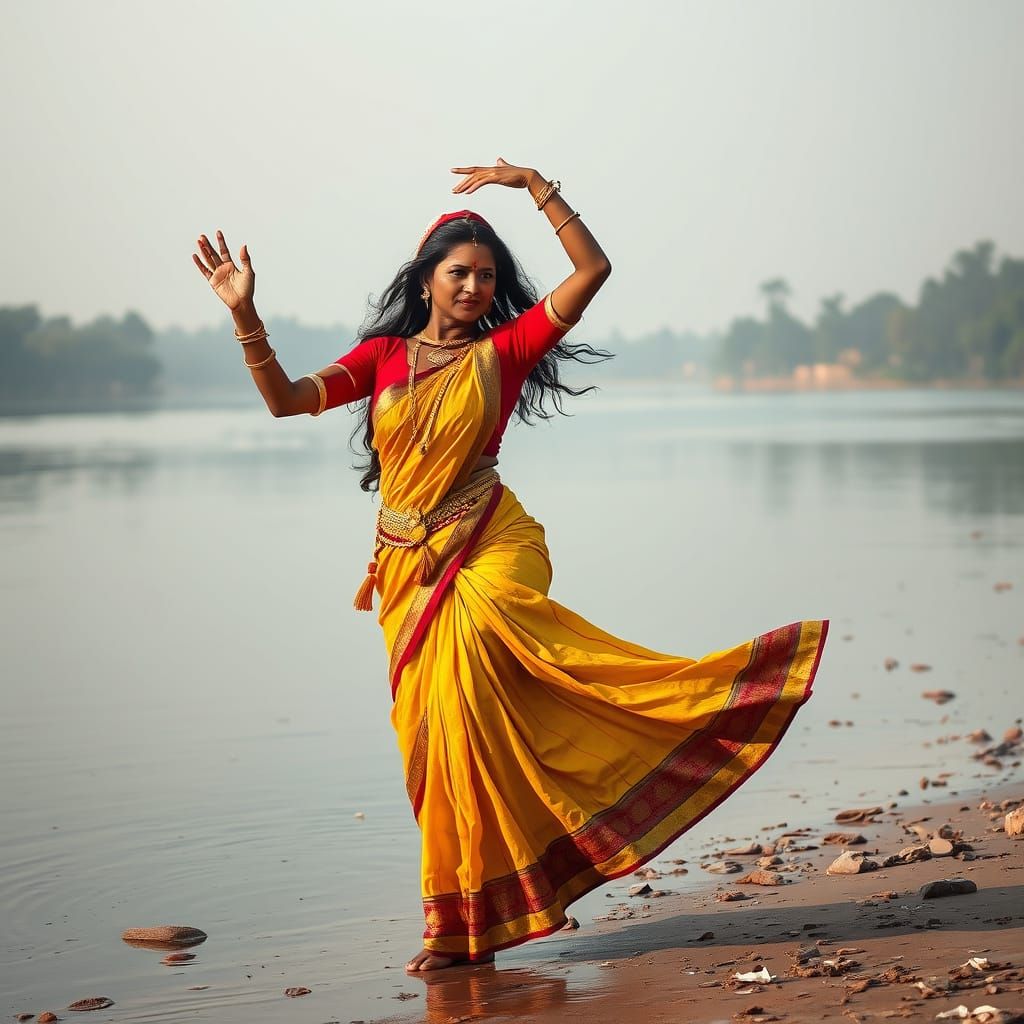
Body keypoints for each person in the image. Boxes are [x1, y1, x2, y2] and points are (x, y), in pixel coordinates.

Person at [192, 158, 828, 975]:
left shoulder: (508, 349)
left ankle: (702, 700)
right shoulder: (381, 357)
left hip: (491, 541)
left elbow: (592, 271)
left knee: (494, 641)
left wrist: (538, 188)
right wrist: (247, 315)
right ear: (426, 280)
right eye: (459, 273)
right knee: (443, 737)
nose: (474, 288)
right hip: (405, 571)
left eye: (487, 277)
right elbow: (285, 401)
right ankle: (467, 924)